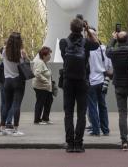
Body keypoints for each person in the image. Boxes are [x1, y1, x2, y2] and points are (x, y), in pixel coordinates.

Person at [59, 18, 100, 152]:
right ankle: (79, 143)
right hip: (82, 81)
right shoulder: (86, 43)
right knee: (81, 114)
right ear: (82, 29)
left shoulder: (63, 42)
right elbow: (97, 43)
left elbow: (64, 58)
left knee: (68, 113)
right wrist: (88, 29)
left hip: (68, 81)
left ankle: (70, 144)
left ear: (71, 28)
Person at [1, 32, 28, 136]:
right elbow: (25, 66)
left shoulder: (4, 51)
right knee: (17, 105)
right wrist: (25, 58)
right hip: (18, 81)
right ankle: (16, 129)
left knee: (6, 105)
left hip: (7, 80)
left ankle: (3, 128)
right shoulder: (21, 53)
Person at [87, 31, 111, 136]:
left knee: (92, 106)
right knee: (103, 106)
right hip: (102, 80)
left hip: (91, 81)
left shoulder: (87, 50)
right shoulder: (103, 48)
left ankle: (96, 129)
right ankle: (105, 129)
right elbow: (109, 66)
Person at [32, 46, 54, 124]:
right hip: (41, 87)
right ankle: (37, 120)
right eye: (49, 54)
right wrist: (46, 81)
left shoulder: (43, 62)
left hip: (46, 87)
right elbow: (37, 73)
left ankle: (45, 118)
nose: (50, 56)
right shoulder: (40, 63)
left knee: (49, 101)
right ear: (44, 55)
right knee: (40, 102)